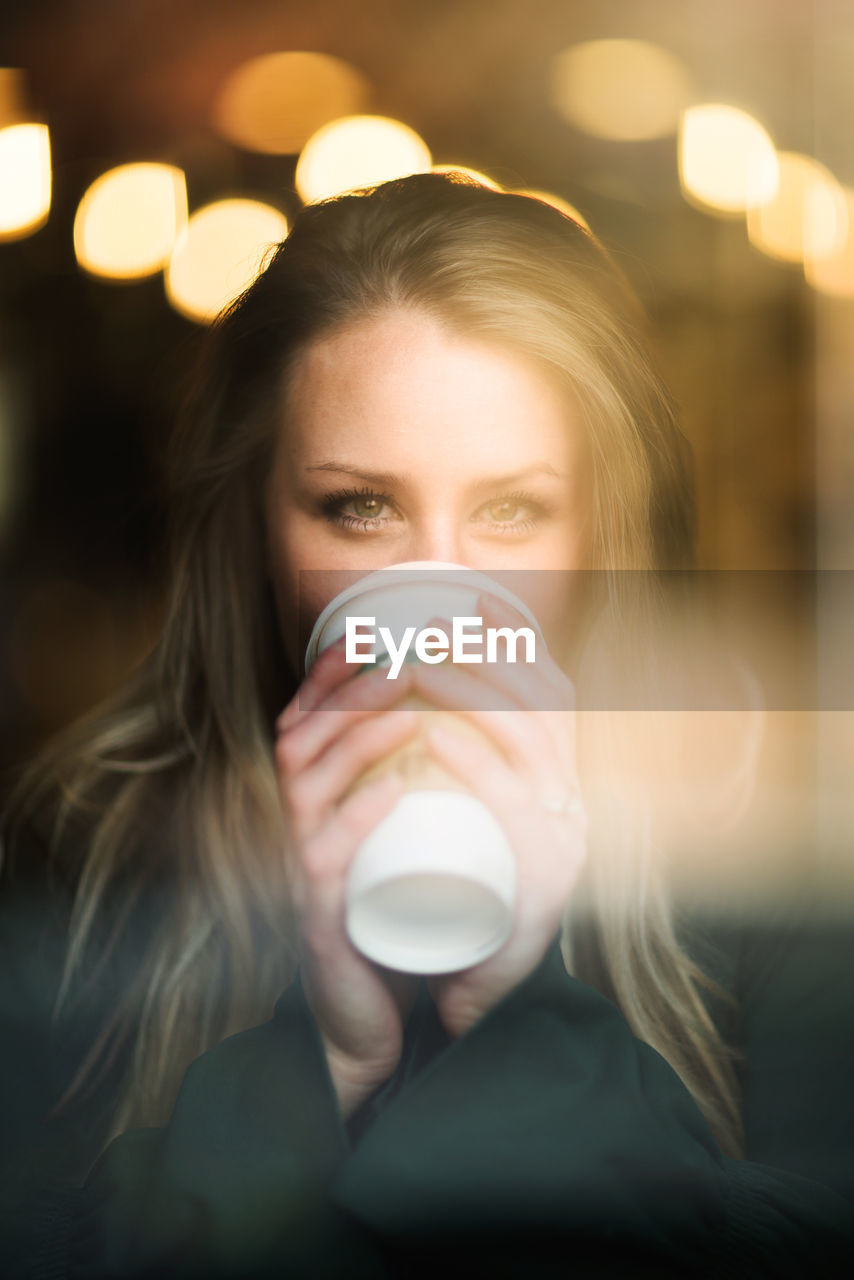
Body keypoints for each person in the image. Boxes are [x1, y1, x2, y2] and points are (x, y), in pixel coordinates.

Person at [1, 172, 852, 1278]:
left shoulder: (766, 858)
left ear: (603, 535)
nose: (437, 599)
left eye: (510, 510)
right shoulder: (90, 847)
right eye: (360, 507)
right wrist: (323, 1054)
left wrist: (519, 1015)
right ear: (252, 527)